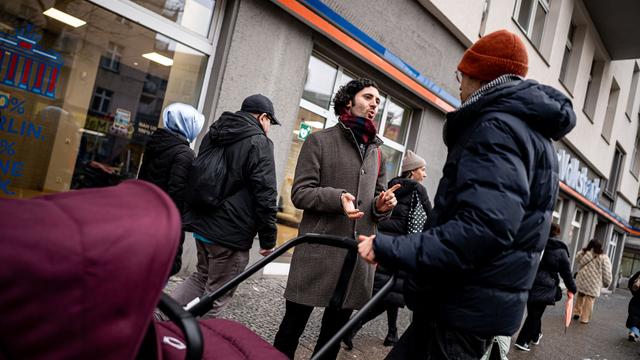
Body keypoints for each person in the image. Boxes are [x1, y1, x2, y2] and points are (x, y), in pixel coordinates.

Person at [356, 29, 576, 359]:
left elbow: (483, 228)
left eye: (461, 75)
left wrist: (390, 247)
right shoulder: (532, 133)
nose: (459, 84)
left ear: (479, 75)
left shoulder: (496, 127)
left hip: (460, 309)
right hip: (464, 305)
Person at [273, 78, 398, 360]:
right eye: (368, 97)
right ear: (348, 101)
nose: (374, 105)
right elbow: (301, 193)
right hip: (319, 252)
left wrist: (382, 205)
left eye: (377, 101)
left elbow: (379, 199)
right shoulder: (319, 140)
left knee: (332, 339)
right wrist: (337, 198)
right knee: (291, 330)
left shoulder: (378, 152)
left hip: (356, 261)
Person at [169, 94, 281, 318]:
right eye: (270, 121)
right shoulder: (259, 142)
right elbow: (266, 193)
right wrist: (268, 238)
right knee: (218, 296)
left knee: (201, 277)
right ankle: (198, 345)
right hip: (230, 234)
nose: (269, 127)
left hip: (203, 226)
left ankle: (157, 316)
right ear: (263, 117)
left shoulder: (215, 133)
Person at [342, 150, 432, 350]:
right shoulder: (419, 191)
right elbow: (430, 220)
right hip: (400, 250)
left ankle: (392, 334)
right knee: (386, 296)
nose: (425, 174)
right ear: (412, 172)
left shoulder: (392, 186)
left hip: (383, 246)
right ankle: (350, 328)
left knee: (389, 294)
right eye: (422, 170)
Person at [138, 103, 205, 276]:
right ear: (188, 125)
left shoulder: (155, 143)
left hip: (144, 216)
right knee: (161, 270)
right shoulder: (184, 154)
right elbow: (177, 195)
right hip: (165, 225)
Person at [514, 223, 577, 351]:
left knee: (534, 312)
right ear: (557, 233)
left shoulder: (536, 244)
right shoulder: (560, 250)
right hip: (546, 285)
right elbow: (566, 273)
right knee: (535, 314)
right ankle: (522, 341)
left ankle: (536, 336)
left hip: (529, 282)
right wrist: (572, 288)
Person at [573, 239, 612, 324]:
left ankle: (576, 312)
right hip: (594, 282)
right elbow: (607, 272)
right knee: (589, 299)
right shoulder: (603, 257)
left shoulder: (584, 253)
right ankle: (584, 318)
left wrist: (584, 250)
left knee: (580, 295)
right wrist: (607, 283)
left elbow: (577, 259)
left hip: (582, 279)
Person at [627, 270, 640, 341]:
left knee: (634, 316)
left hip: (636, 299)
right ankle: (634, 332)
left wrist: (634, 293)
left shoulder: (639, 273)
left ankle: (633, 332)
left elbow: (630, 282)